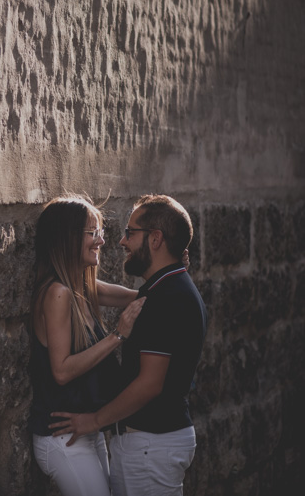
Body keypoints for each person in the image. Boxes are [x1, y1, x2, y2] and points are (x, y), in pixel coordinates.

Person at [50, 194, 207, 496]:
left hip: (151, 446)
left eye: (130, 233)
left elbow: (149, 384)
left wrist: (94, 421)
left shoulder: (166, 298)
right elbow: (98, 291)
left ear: (156, 239)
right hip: (152, 444)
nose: (122, 242)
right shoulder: (165, 289)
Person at [29, 195, 146, 496]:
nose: (101, 241)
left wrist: (171, 277)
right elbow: (62, 372)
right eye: (93, 234)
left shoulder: (80, 286)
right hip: (62, 439)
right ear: (68, 238)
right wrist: (117, 336)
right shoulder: (58, 293)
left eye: (100, 233)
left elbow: (131, 297)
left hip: (86, 429)